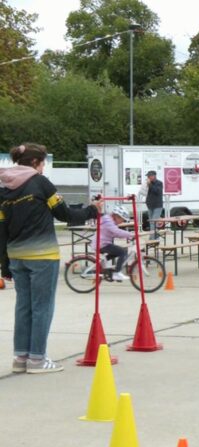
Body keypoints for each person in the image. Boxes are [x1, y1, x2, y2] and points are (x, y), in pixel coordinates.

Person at [0, 143, 102, 374]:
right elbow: (65, 214)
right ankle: (37, 359)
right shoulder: (40, 182)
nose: (43, 167)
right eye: (43, 162)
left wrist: (4, 264)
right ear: (35, 163)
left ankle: (21, 358)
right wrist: (92, 210)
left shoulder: (4, 188)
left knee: (23, 307)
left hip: (16, 255)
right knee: (42, 307)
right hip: (42, 255)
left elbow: (2, 228)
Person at [93, 205, 135, 281]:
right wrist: (131, 234)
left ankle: (104, 261)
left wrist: (129, 236)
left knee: (119, 251)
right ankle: (117, 273)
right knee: (122, 252)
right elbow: (117, 232)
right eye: (122, 219)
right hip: (101, 244)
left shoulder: (109, 220)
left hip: (102, 243)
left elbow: (115, 233)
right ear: (117, 216)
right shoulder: (108, 221)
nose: (122, 222)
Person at [145, 170, 163, 240]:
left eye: (149, 176)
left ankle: (152, 238)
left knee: (153, 221)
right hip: (150, 205)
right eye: (148, 176)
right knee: (151, 222)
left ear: (154, 176)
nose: (148, 178)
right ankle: (156, 236)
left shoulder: (159, 183)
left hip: (157, 206)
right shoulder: (149, 184)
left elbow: (157, 191)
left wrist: (150, 185)